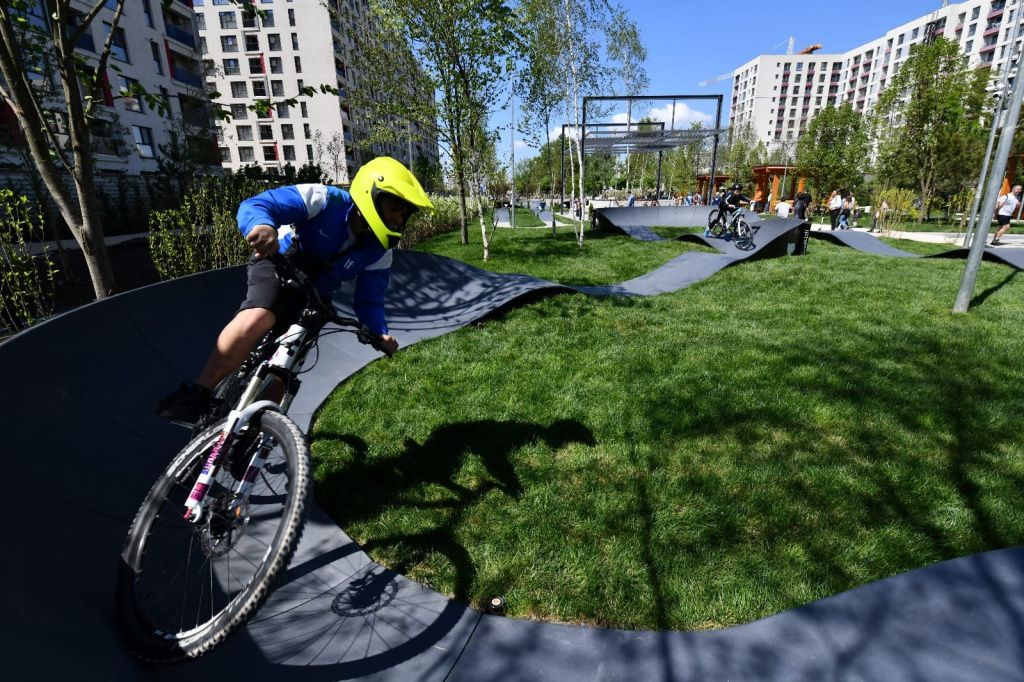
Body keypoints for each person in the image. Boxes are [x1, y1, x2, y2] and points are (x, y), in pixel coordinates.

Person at [157, 157, 434, 423]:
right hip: (279, 264)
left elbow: (370, 299)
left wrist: (378, 330)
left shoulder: (380, 250)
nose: (398, 220)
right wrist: (262, 225)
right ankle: (199, 391)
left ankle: (261, 430)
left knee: (286, 371)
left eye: (404, 214)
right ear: (371, 194)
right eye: (395, 208)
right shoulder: (324, 199)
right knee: (260, 316)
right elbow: (259, 204)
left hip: (316, 294)